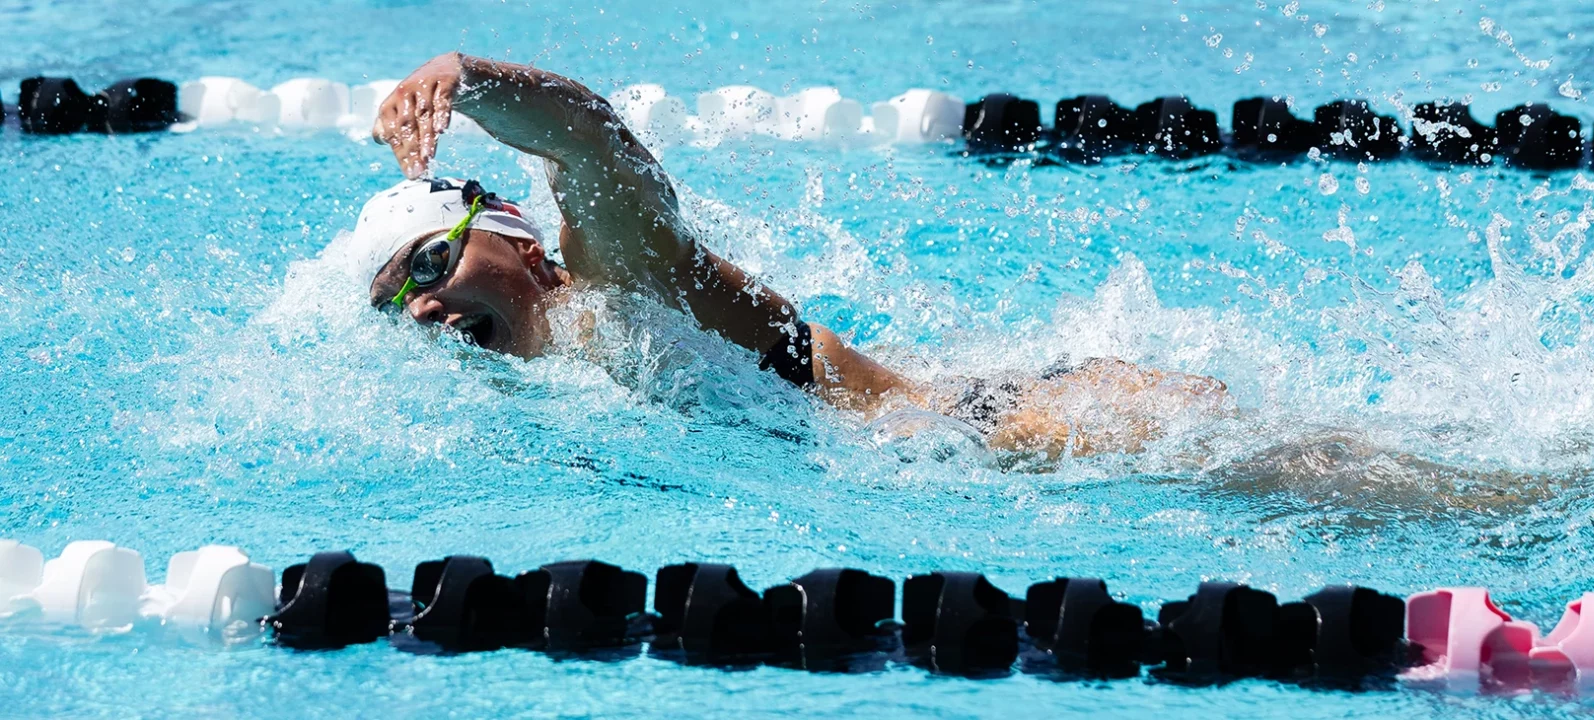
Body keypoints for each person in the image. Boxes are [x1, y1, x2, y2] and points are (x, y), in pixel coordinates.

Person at [345, 52, 1229, 463]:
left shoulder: (620, 280)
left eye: (426, 268)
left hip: (1013, 430)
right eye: (396, 303)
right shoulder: (534, 390)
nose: (420, 309)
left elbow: (594, 150)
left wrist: (471, 80)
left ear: (522, 247)